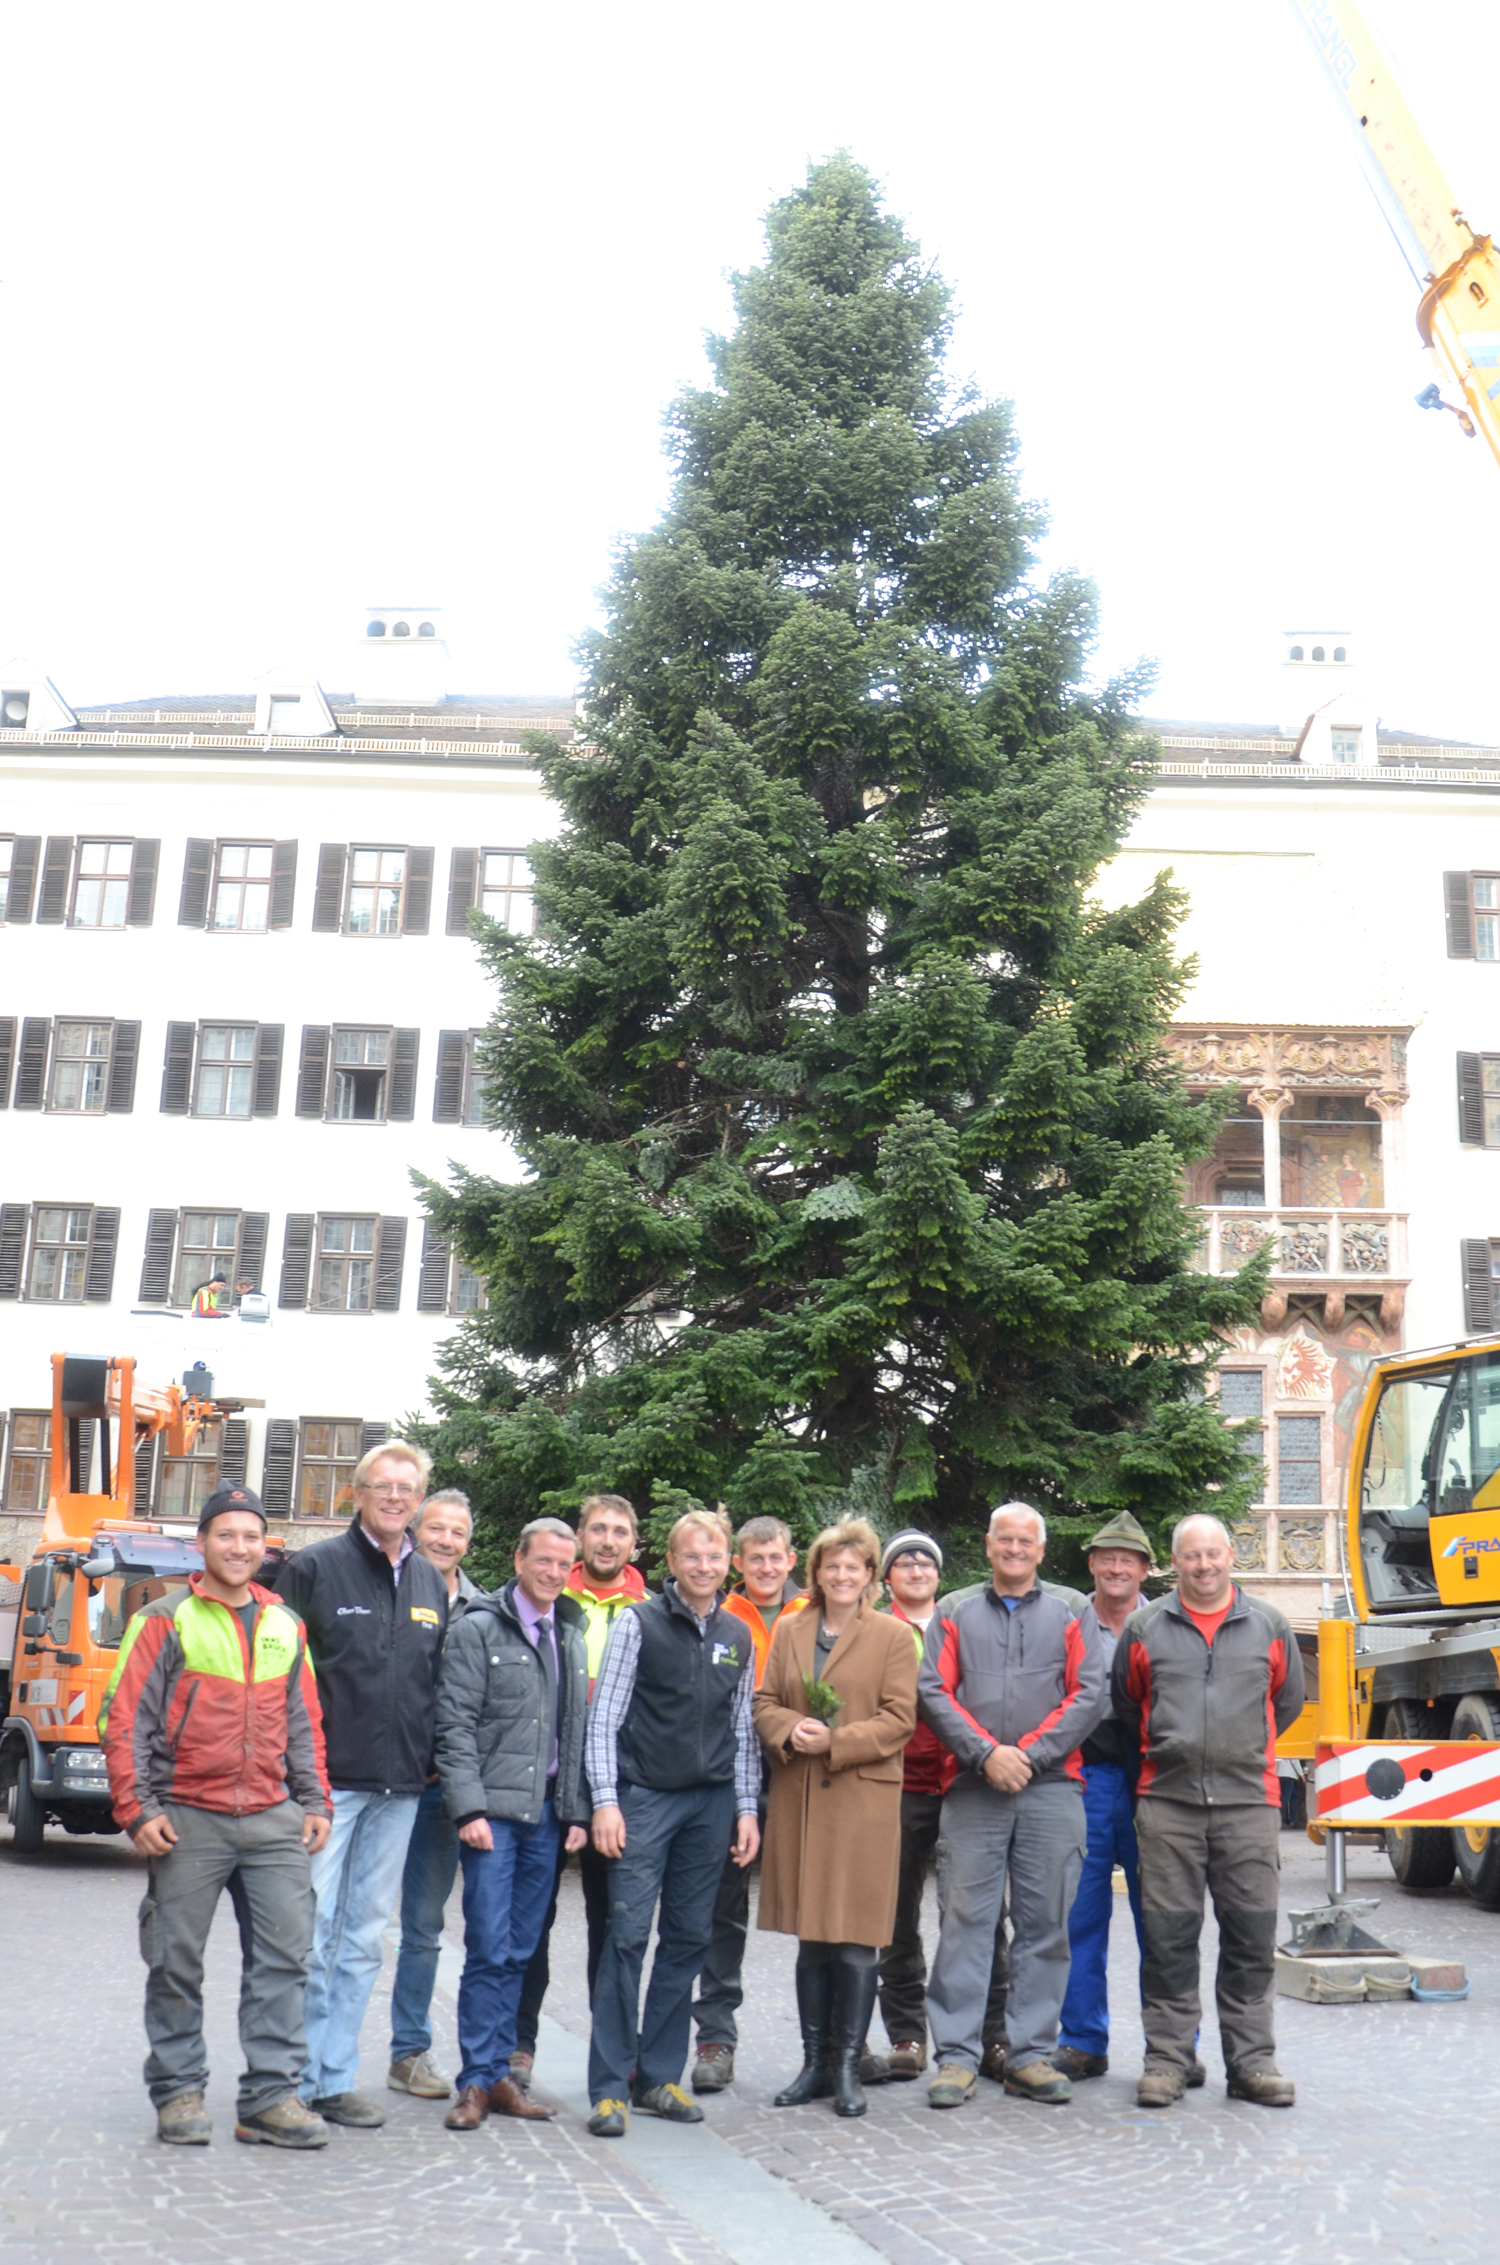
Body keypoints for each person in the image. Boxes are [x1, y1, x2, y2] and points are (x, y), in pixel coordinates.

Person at [100, 1484, 333, 2149]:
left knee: (286, 1958)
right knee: (175, 1960)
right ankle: (178, 2090)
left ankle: (270, 2097)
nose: (240, 1547)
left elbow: (305, 1721)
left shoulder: (285, 1622)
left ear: (266, 1546)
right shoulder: (165, 1620)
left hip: (272, 1820)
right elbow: (124, 1720)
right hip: (187, 1818)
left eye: (251, 1536)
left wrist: (314, 1801)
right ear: (202, 1543)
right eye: (226, 1534)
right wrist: (136, 1808)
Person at [272, 1441, 448, 2128]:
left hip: (401, 1787)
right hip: (327, 1784)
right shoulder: (314, 1568)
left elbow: (435, 1683)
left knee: (365, 1937)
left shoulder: (431, 1580)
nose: (397, 1497)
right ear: (357, 1493)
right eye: (384, 1485)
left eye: (409, 1487)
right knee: (310, 1933)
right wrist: (295, 1775)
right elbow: (279, 1676)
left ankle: (333, 2076)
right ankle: (289, 2076)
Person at [918, 1502, 1107, 2109]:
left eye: (1026, 1540)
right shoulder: (952, 1612)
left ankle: (1029, 2055)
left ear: (1041, 1550)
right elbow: (933, 1692)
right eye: (1005, 1539)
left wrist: (1027, 1754)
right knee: (964, 1925)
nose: (1015, 1549)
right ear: (988, 1544)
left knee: (1045, 1926)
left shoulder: (1072, 1609)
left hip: (1051, 1789)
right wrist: (984, 1754)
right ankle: (956, 2058)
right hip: (973, 1789)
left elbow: (1089, 1693)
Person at [1114, 1512, 1305, 2110]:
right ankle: (1168, 2060)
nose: (1203, 1566)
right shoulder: (1146, 1627)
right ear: (1175, 1562)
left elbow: (1287, 1701)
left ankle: (1252, 2062)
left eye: (1213, 1554)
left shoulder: (1269, 1625)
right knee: (1170, 1939)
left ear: (1231, 1556)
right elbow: (1128, 1705)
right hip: (1168, 1806)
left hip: (1249, 1804)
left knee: (1250, 1938)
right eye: (1191, 1556)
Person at [584, 1509, 760, 2138]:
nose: (704, 1567)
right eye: (692, 1557)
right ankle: (609, 2087)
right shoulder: (639, 1623)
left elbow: (743, 1734)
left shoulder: (738, 1636)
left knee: (687, 1940)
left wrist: (746, 1810)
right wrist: (606, 1800)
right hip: (645, 1800)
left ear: (727, 1563)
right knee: (627, 1937)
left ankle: (658, 2077)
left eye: (715, 1558)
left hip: (709, 1806)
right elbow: (604, 1717)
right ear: (673, 1561)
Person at [753, 1517, 918, 2119]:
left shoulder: (893, 1636)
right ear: (816, 1573)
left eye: (854, 1566)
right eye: (832, 1566)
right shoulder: (793, 1629)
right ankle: (815, 2064)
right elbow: (765, 1703)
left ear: (870, 1575)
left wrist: (838, 1740)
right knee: (813, 1941)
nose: (842, 1575)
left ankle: (848, 2064)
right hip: (801, 1800)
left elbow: (900, 1719)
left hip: (861, 1803)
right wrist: (789, 1730)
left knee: (855, 1941)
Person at [434, 1517, 592, 2130]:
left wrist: (575, 1810)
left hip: (549, 1817)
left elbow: (573, 1735)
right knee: (488, 1947)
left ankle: (500, 2074)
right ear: (520, 1560)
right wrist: (468, 1808)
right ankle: (475, 2080)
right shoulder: (478, 1627)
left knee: (523, 1950)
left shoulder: (570, 1634)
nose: (553, 1572)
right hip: (493, 1819)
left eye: (563, 1563)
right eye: (543, 1561)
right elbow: (455, 1725)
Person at [512, 1491, 647, 2088]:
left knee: (613, 1924)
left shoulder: (650, 1609)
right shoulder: (549, 1595)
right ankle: (520, 2045)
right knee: (532, 1921)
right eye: (598, 1529)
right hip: (548, 1783)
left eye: (620, 1531)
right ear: (581, 1537)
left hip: (618, 1788)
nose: (608, 1540)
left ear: (634, 1545)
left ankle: (615, 2051)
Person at [690, 1513, 809, 2092]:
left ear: (792, 1560)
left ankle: (838, 2038)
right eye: (755, 1559)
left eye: (776, 1558)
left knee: (818, 1903)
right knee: (723, 1907)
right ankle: (715, 2035)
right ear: (739, 1563)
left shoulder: (812, 1612)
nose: (766, 1568)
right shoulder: (719, 1611)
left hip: (798, 1767)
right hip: (730, 1769)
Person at [387, 1489, 484, 2101]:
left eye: (459, 1532)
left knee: (423, 1926)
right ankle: (319, 2053)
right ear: (417, 1529)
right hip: (377, 1781)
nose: (446, 1540)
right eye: (437, 1528)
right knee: (346, 1922)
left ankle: (409, 2052)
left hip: (440, 1793)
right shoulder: (389, 1592)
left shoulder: (483, 1608)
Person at [1051, 1511, 1154, 2083]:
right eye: (1107, 1559)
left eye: (1128, 1560)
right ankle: (1083, 2039)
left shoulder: (1164, 1623)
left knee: (1159, 1918)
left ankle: (1171, 2043)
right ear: (1091, 1564)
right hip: (1084, 1777)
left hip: (1151, 1784)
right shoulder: (1066, 1623)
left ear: (1143, 1569)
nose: (1117, 1569)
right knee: (1078, 1916)